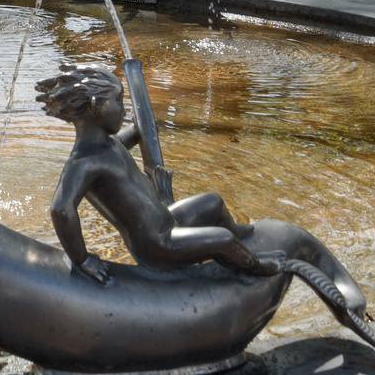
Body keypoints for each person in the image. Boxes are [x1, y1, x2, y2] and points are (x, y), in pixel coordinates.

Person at [36, 64, 282, 282]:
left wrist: (144, 123)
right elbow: (61, 208)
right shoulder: (83, 162)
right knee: (221, 240)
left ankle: (238, 235)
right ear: (95, 106)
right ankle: (254, 265)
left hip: (168, 220)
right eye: (119, 101)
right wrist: (82, 259)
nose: (124, 108)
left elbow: (132, 135)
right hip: (157, 245)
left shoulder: (108, 144)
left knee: (213, 202)